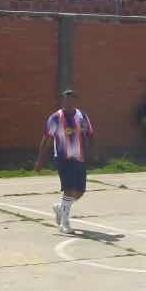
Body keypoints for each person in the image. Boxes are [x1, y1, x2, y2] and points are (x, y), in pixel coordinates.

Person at [34, 89, 96, 235]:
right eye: (66, 99)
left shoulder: (82, 116)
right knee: (69, 189)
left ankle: (60, 207)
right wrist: (40, 160)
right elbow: (46, 139)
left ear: (75, 101)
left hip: (79, 157)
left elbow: (90, 134)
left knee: (79, 192)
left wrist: (94, 153)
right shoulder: (56, 118)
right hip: (63, 158)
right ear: (62, 101)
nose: (68, 102)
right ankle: (64, 223)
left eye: (71, 99)